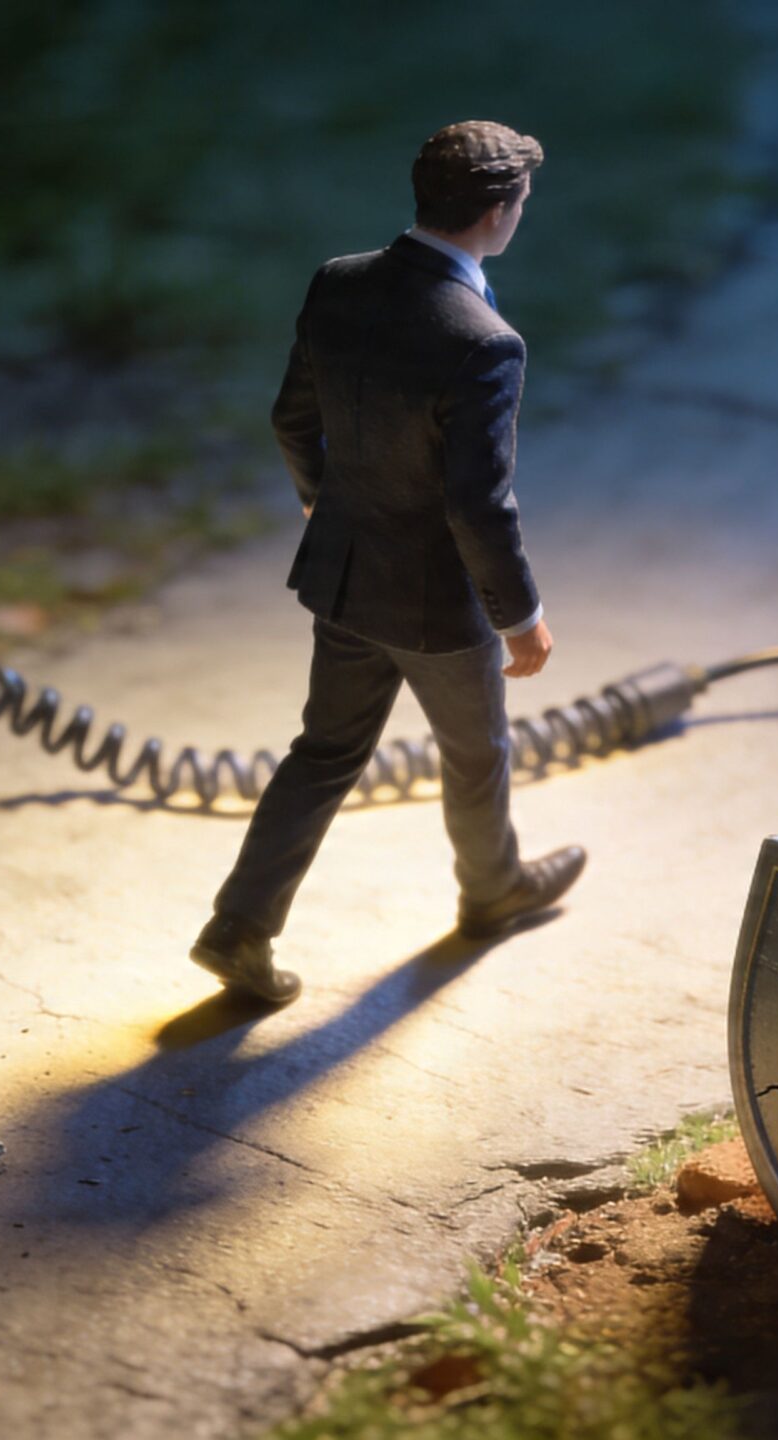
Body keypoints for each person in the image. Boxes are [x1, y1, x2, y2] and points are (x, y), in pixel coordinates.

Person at [189, 119, 587, 1005]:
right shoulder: (484, 339)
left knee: (324, 751)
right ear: (496, 211)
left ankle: (238, 927)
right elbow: (477, 502)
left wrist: (324, 502)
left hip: (345, 575)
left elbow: (291, 419)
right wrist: (520, 615)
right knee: (475, 753)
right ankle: (492, 893)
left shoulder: (340, 281)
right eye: (522, 201)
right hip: (438, 607)